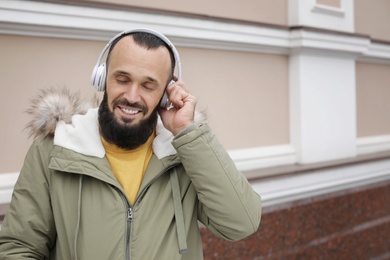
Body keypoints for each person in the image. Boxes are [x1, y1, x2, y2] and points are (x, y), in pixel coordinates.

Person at [0, 29, 261, 259]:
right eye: (122, 79)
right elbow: (19, 247)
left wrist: (188, 133)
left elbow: (241, 224)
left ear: (165, 95)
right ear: (102, 79)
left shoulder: (184, 153)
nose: (132, 96)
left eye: (149, 86)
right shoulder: (55, 148)